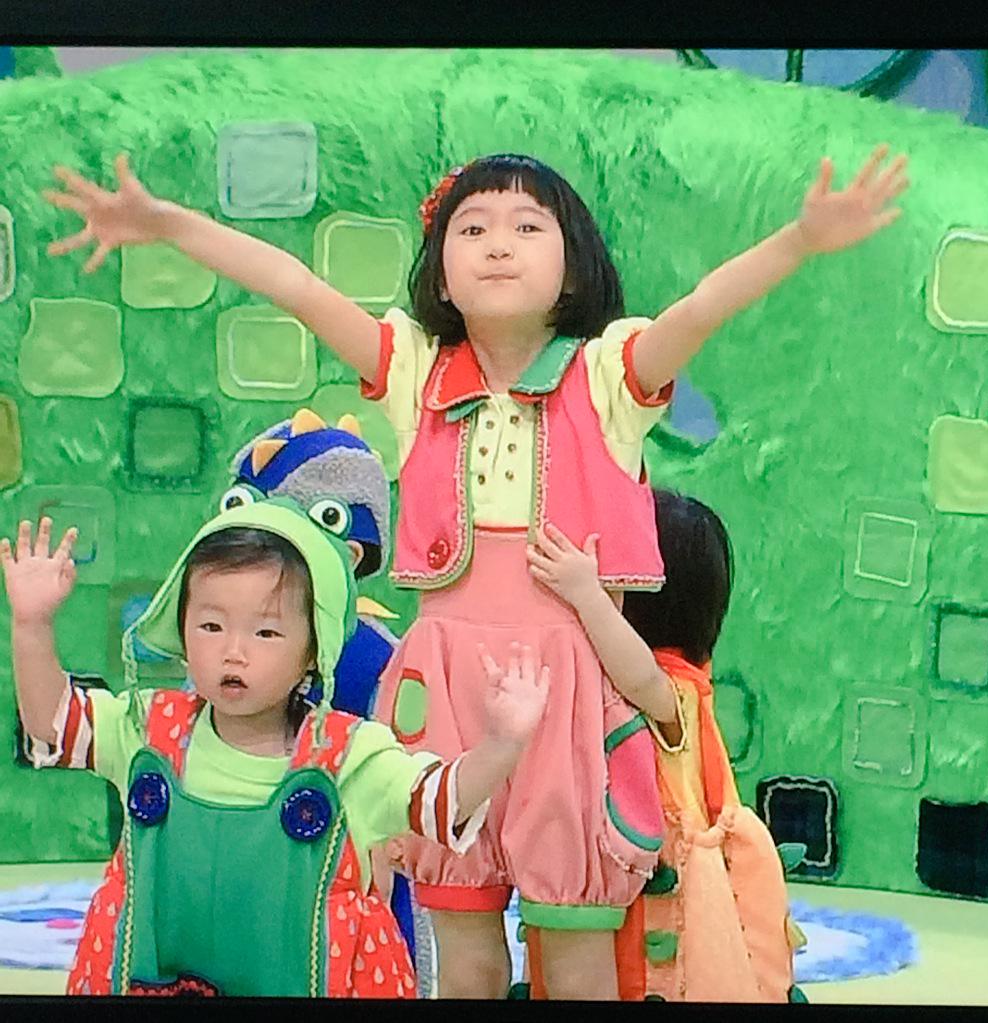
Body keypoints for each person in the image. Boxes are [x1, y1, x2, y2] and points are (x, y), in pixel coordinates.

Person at [43, 144, 907, 999]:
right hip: (445, 686)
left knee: (577, 954)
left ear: (573, 267)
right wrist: (170, 222)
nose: (498, 243)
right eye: (473, 227)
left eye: (527, 226)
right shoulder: (415, 373)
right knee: (466, 960)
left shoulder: (607, 377)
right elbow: (297, 287)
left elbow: (701, 308)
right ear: (443, 273)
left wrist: (798, 238)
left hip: (567, 690)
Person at [1, 505, 549, 997]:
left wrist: (503, 744)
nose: (233, 652)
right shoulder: (146, 730)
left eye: (265, 633)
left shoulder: (346, 757)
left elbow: (442, 800)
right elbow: (55, 724)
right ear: (182, 631)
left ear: (314, 651)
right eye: (211, 626)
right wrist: (31, 625)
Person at [523, 493, 801, 1001]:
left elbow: (641, 680)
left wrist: (587, 597)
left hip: (654, 911)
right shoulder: (604, 673)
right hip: (598, 887)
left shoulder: (678, 688)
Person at [223, 406, 428, 987]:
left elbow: (406, 763)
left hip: (353, 876)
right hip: (243, 861)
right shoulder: (227, 648)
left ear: (351, 551)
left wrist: (389, 842)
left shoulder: (376, 656)